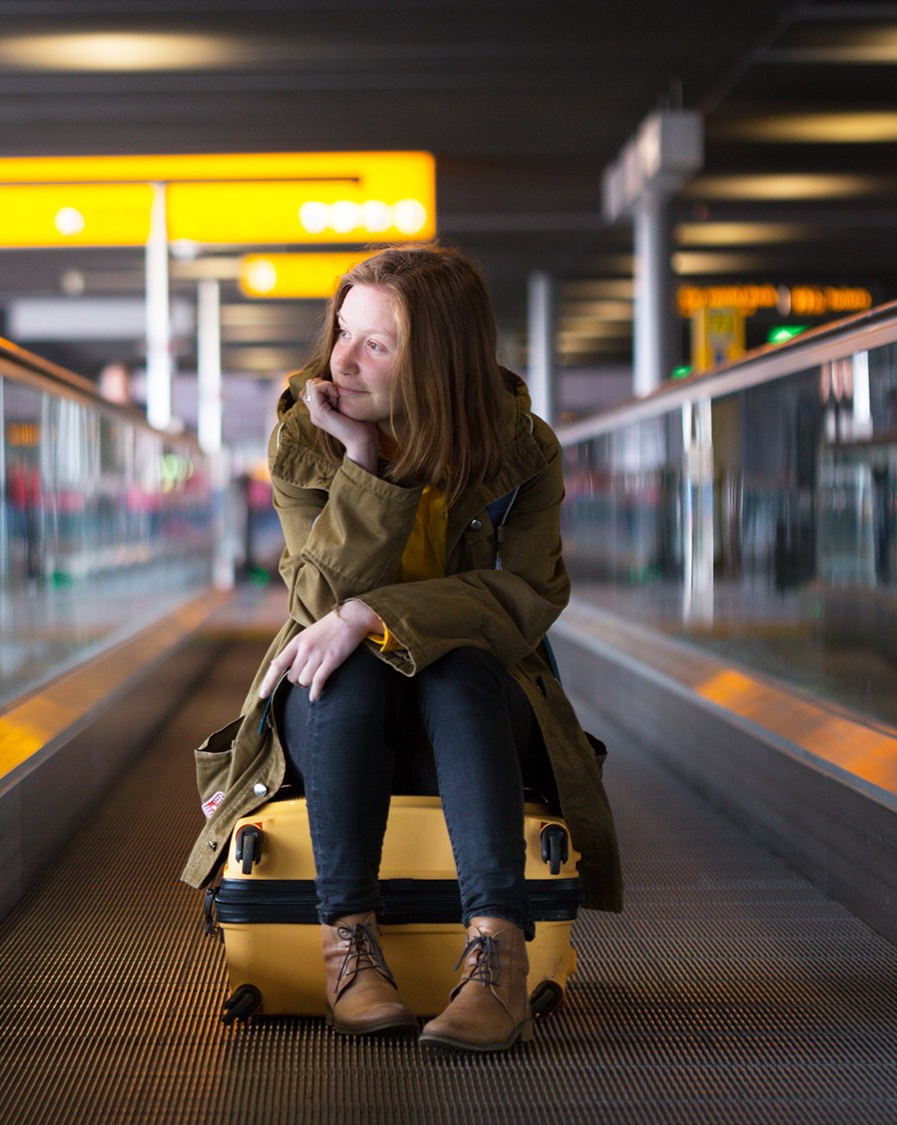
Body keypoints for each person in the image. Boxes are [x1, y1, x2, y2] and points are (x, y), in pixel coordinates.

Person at [181, 244, 622, 1051]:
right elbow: (313, 606)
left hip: (473, 723)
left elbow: (523, 601)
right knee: (342, 671)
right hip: (342, 722)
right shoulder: (305, 438)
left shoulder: (523, 454)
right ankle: (348, 949)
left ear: (440, 359)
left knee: (454, 665)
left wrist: (372, 615)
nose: (341, 359)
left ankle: (496, 959)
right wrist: (359, 464)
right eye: (342, 331)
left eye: (375, 344)